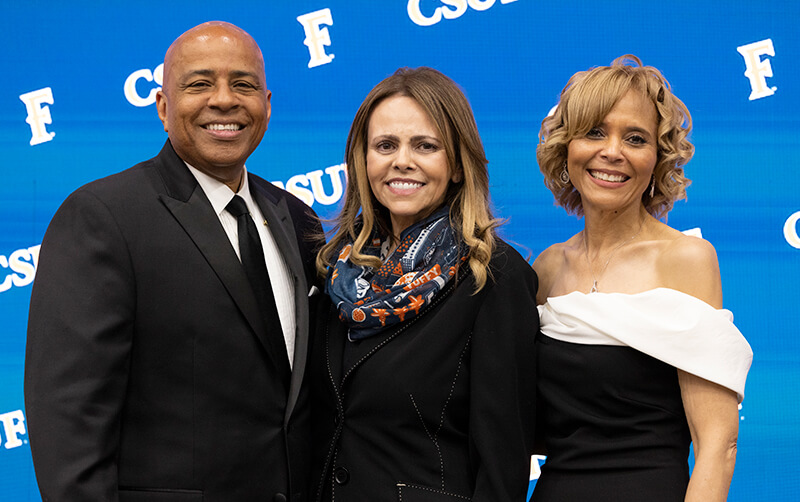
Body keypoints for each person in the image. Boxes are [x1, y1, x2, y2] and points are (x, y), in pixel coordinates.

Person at [24, 21, 321, 501]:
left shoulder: (297, 217)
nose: (224, 100)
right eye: (199, 84)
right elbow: (68, 416)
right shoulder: (104, 217)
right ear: (163, 107)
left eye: (243, 84)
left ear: (267, 106)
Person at [308, 67, 538, 501]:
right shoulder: (333, 268)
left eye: (425, 146)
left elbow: (502, 460)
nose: (402, 161)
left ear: (456, 165)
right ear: (363, 160)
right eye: (385, 145)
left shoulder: (494, 278)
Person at [532, 55, 753, 501]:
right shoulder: (546, 267)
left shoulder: (687, 259)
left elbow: (718, 445)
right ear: (566, 148)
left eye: (635, 138)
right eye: (595, 132)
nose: (612, 151)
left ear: (657, 158)